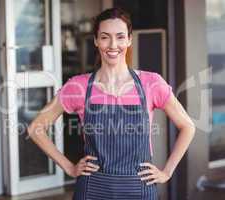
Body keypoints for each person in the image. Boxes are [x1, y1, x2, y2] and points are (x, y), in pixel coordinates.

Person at [27, 7, 195, 200]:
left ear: (129, 39)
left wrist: (167, 171)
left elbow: (187, 126)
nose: (113, 44)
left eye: (120, 37)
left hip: (138, 188)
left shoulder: (151, 83)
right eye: (105, 37)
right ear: (96, 41)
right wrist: (69, 167)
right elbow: (35, 128)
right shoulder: (78, 86)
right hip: (92, 188)